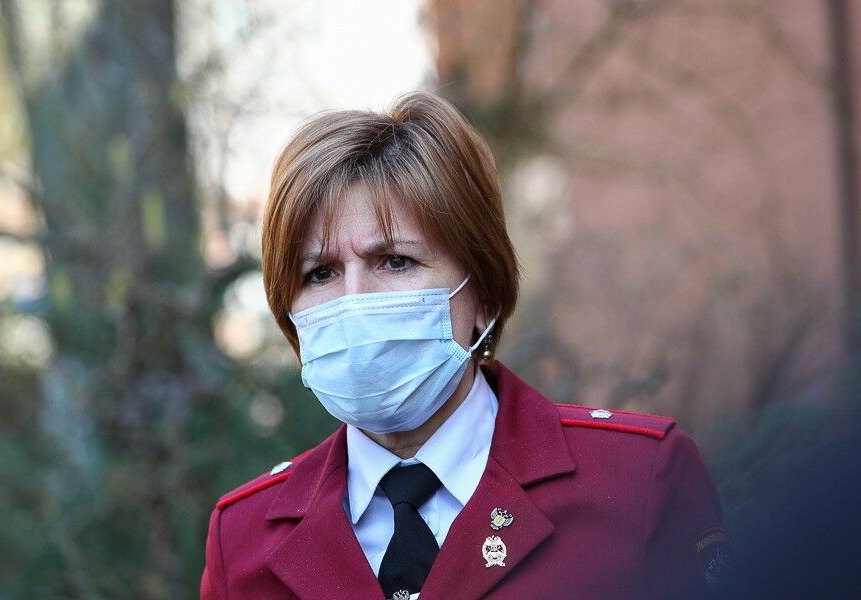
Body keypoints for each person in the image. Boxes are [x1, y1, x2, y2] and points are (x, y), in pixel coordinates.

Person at [200, 92, 729, 599]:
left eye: (395, 261)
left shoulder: (635, 481)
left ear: (484, 294)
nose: (354, 300)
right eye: (320, 273)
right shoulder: (243, 537)